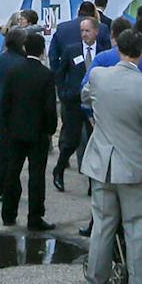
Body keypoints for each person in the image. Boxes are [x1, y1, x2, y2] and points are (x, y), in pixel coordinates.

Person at [79, 25, 142, 284]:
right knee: (139, 233)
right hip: (137, 168)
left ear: (117, 48)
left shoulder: (98, 76)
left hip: (102, 165)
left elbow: (84, 97)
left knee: (102, 229)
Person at [0, 29, 58, 229]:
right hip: (38, 132)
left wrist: (6, 126)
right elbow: (50, 107)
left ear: (25, 48)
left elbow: (5, 102)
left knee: (12, 172)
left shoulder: (14, 71)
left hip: (15, 131)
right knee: (36, 176)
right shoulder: (46, 75)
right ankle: (34, 216)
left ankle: (8, 214)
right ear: (43, 51)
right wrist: (49, 129)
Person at [52, 10, 100, 189]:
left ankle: (91, 181)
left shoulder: (102, 52)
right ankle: (59, 169)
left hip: (94, 104)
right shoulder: (71, 50)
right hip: (73, 102)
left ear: (95, 31)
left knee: (92, 141)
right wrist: (63, 92)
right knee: (71, 140)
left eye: (87, 31)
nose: (84, 34)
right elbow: (60, 72)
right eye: (82, 31)